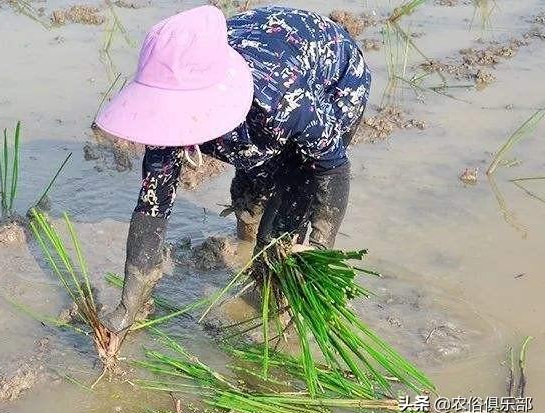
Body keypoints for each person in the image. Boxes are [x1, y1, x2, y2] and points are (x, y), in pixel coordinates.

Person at [94, 5, 371, 346]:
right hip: (258, 61)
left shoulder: (283, 102)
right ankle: (246, 238)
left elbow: (330, 165)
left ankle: (270, 295)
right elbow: (152, 207)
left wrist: (314, 248)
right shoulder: (169, 112)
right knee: (249, 194)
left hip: (332, 74)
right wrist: (126, 309)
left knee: (281, 229)